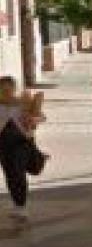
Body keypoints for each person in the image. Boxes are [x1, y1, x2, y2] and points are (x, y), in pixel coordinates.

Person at [0, 76, 44, 226]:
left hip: (22, 143)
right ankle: (17, 204)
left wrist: (33, 120)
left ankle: (21, 206)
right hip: (3, 145)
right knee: (10, 174)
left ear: (13, 89)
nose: (6, 92)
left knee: (18, 172)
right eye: (2, 89)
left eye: (8, 89)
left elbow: (41, 117)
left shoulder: (23, 103)